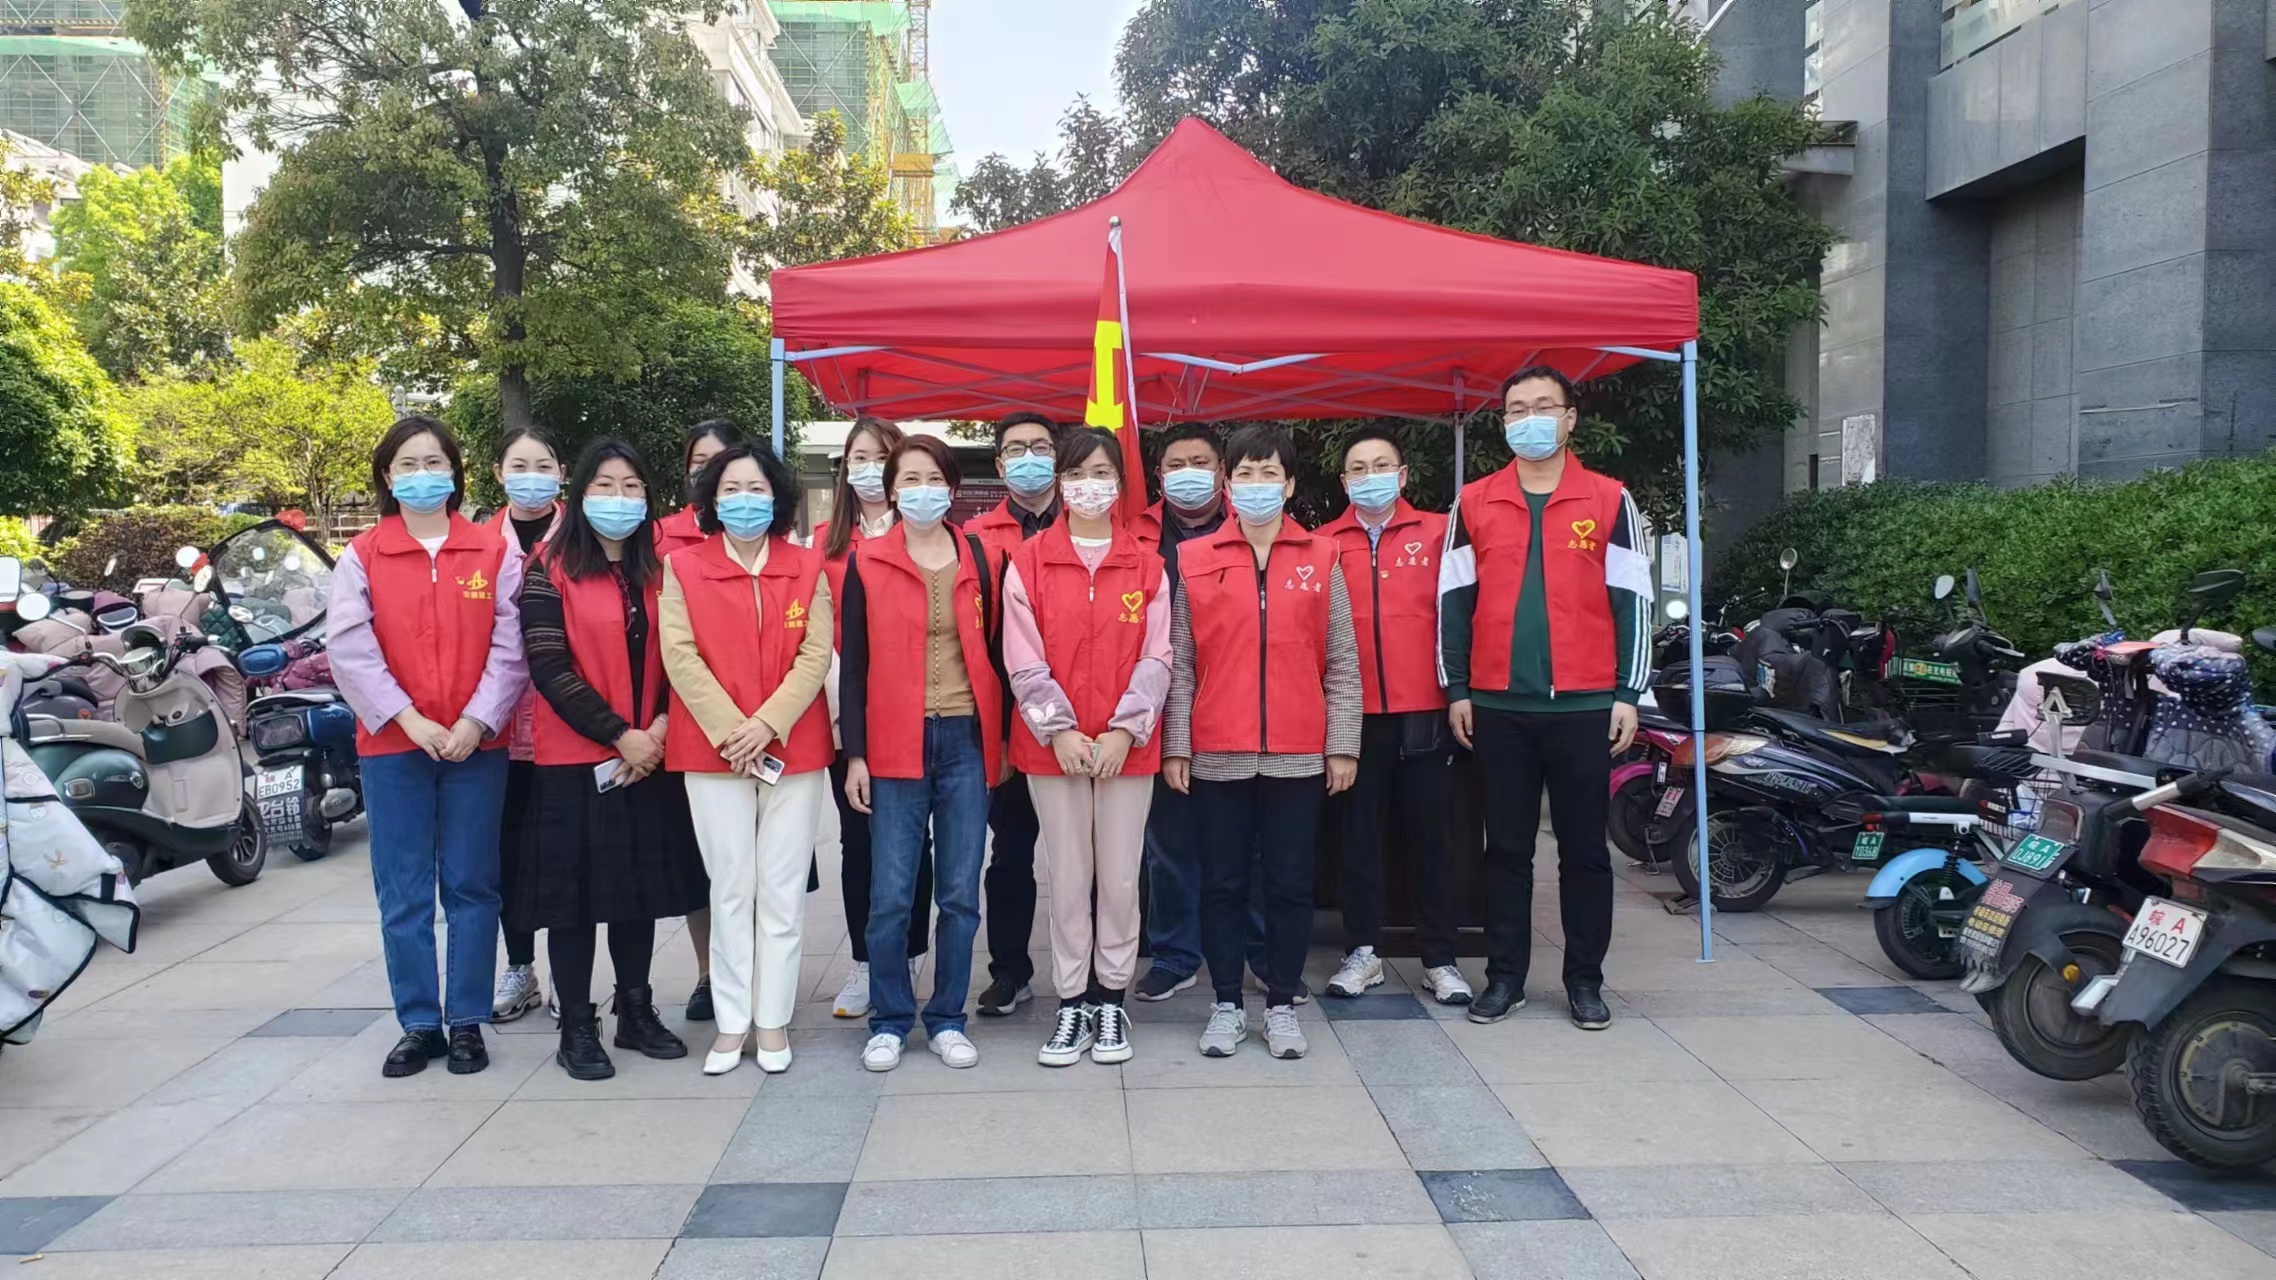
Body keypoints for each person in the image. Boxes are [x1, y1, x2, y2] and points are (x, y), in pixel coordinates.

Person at [1439, 365, 1651, 1031]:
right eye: (1516, 409)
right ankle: (1505, 979)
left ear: (1569, 418)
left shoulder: (1610, 499)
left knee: (1585, 851)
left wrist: (1628, 692)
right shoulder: (1474, 501)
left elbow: (1634, 600)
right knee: (1506, 850)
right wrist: (1457, 687)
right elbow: (1453, 600)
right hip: (1499, 707)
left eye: (1542, 406)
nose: (1528, 419)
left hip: (1585, 707)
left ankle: (1585, 980)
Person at [329, 415, 527, 1078]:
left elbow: (511, 645)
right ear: (387, 477)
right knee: (404, 889)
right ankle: (419, 1023)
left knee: (473, 884)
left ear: (455, 472)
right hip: (393, 746)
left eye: (434, 462)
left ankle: (466, 1019)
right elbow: (350, 649)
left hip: (477, 747)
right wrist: (409, 721)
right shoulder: (362, 556)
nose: (422, 475)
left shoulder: (493, 552)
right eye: (408, 465)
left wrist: (477, 720)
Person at [1162, 424, 1361, 1061]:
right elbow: (1180, 662)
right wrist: (1177, 745)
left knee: (1290, 884)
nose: (1256, 485)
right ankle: (1225, 1003)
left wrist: (1342, 744)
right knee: (1221, 882)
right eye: (1244, 474)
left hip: (1298, 751)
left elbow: (1342, 660)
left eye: (1269, 473)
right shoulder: (1195, 559)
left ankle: (1279, 1003)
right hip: (1217, 748)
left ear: (1290, 484)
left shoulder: (1322, 555)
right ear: (1227, 484)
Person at [512, 439, 708, 1079]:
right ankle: (577, 1024)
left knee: (636, 892)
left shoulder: (664, 570)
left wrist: (658, 729)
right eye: (604, 486)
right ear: (580, 494)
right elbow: (548, 665)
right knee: (572, 903)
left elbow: (686, 658)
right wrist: (620, 735)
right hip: (578, 758)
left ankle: (636, 1010)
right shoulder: (548, 567)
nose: (618, 499)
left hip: (652, 753)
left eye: (631, 487)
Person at [660, 443, 834, 1075]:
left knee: (782, 891)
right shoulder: (683, 567)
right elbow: (679, 655)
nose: (744, 500)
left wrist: (766, 724)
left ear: (777, 497)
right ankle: (732, 1022)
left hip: (793, 747)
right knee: (731, 887)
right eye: (730, 489)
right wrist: (733, 730)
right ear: (710, 499)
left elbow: (815, 654)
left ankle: (772, 1019)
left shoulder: (806, 566)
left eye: (756, 488)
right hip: (713, 750)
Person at [839, 435, 1007, 1072]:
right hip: (893, 743)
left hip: (965, 740)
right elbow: (854, 667)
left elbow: (998, 654)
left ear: (952, 487)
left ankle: (946, 1018)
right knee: (890, 894)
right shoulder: (867, 561)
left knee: (960, 893)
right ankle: (888, 1018)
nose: (921, 490)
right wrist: (856, 756)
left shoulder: (981, 557)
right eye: (908, 479)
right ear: (891, 489)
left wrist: (1001, 742)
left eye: (933, 478)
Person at [1003, 428, 1171, 1066]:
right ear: (1061, 483)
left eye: (1101, 473)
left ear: (1120, 484)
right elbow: (1022, 658)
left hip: (1129, 750)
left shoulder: (1147, 565)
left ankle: (1111, 1000)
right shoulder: (1029, 562)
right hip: (1055, 751)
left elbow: (1159, 655)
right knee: (1069, 878)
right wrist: (1059, 729)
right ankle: (1072, 1001)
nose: (1089, 486)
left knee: (1121, 880)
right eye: (1076, 474)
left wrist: (1127, 729)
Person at [1131, 425, 1290, 1005]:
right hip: (1159, 703)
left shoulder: (1255, 527)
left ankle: (1263, 956)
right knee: (1168, 843)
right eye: (1177, 464)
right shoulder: (1136, 534)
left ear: (1222, 471)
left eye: (1201, 462)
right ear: (1158, 475)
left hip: (1242, 707)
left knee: (1250, 846)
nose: (1189, 473)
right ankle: (1175, 955)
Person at [1318, 428, 1471, 1006]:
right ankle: (1363, 952)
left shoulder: (1438, 532)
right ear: (1344, 481)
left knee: (1432, 840)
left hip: (1426, 709)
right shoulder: (1323, 543)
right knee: (1358, 840)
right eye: (1359, 468)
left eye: (1381, 465)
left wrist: (1460, 691)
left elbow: (1462, 615)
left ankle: (1440, 958)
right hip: (1353, 715)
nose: (1370, 476)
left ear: (1403, 475)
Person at [818, 417, 933, 1021]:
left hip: (914, 711)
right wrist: (843, 704)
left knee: (914, 841)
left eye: (881, 457)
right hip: (846, 714)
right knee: (858, 840)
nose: (869, 469)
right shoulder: (823, 543)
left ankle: (908, 951)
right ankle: (866, 961)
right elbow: (817, 634)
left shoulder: (926, 534)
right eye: (857, 458)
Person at [963, 412, 1059, 1017]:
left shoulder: (1093, 527)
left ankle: (1094, 975)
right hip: (1007, 722)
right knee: (1011, 853)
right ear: (1000, 464)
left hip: (1083, 721)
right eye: (1017, 449)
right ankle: (1010, 972)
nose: (1030, 458)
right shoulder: (976, 537)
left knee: (1090, 859)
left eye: (1041, 447)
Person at [653, 418, 740, 1024]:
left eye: (722, 460)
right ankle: (711, 974)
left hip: (765, 724)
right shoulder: (664, 538)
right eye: (699, 461)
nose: (710, 472)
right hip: (687, 721)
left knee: (758, 869)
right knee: (701, 862)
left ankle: (758, 974)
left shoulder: (773, 533)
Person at [489, 425, 564, 1024]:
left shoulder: (582, 538)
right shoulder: (479, 544)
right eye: (519, 466)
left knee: (567, 851)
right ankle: (520, 966)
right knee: (507, 852)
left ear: (561, 473)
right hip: (497, 727)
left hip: (570, 721)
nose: (532, 477)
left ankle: (570, 975)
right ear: (498, 474)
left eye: (543, 466)